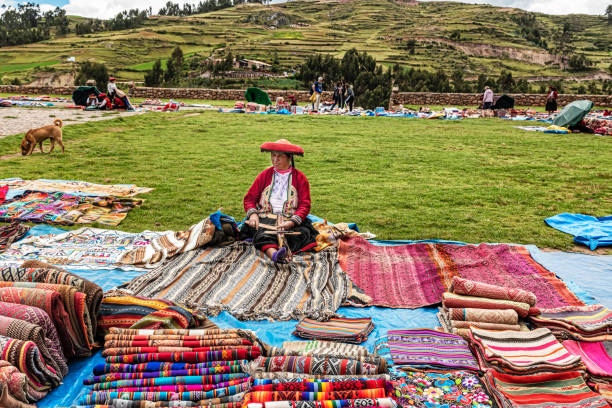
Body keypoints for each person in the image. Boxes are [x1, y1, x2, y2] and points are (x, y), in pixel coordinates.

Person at [240, 139, 318, 264]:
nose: (275, 160)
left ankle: (279, 249)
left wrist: (292, 222)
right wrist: (254, 215)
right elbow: (249, 199)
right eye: (273, 155)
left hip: (289, 219)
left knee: (302, 233)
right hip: (265, 217)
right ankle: (275, 255)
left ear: (289, 157)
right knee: (262, 232)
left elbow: (305, 204)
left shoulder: (300, 178)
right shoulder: (264, 175)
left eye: (280, 156)